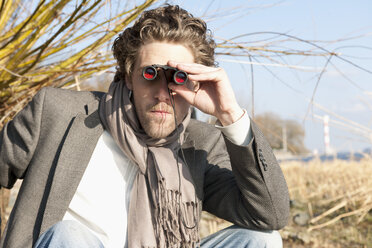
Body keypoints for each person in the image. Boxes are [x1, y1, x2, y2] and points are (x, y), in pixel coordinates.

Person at [0, 5, 289, 248]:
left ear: (196, 82)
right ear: (127, 76)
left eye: (178, 77)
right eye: (150, 75)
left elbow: (270, 214)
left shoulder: (199, 144)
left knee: (262, 239)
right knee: (69, 234)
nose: (163, 93)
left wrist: (230, 114)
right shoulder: (59, 113)